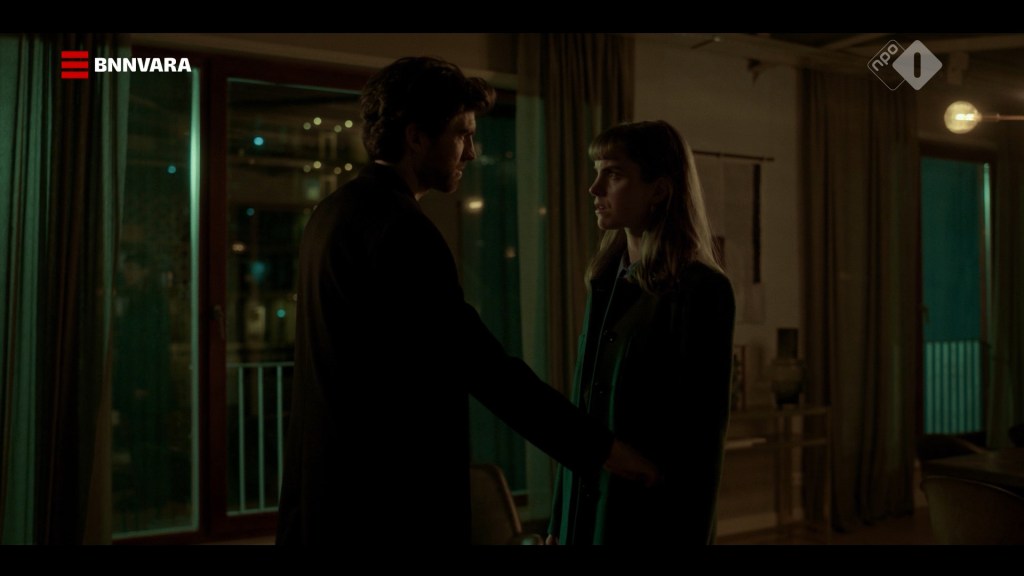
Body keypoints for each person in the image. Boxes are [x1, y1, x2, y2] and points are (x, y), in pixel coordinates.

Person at [275, 56, 659, 545]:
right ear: (416, 137)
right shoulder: (403, 230)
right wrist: (602, 448)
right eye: (462, 134)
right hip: (385, 504)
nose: (472, 152)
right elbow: (482, 364)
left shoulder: (331, 212)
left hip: (326, 498)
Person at [546, 120, 736, 545]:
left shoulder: (701, 289)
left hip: (644, 518)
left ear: (659, 190)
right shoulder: (605, 280)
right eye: (597, 172)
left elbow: (702, 442)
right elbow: (583, 412)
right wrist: (559, 522)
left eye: (613, 174)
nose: (594, 188)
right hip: (583, 511)